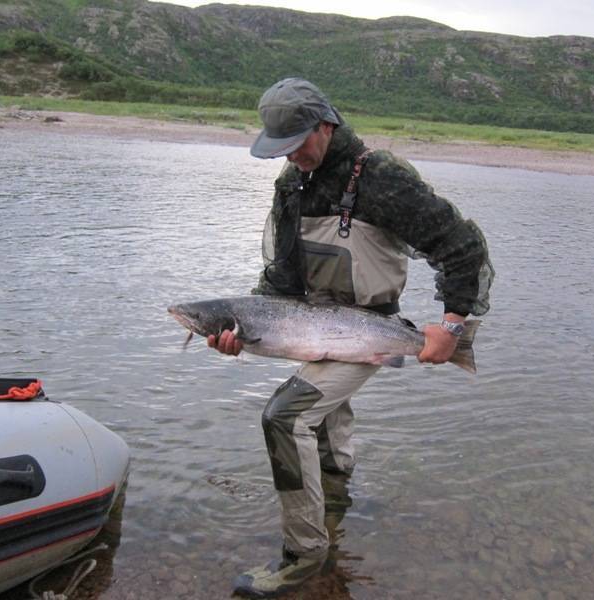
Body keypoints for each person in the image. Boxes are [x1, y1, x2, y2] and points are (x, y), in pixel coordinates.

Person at [208, 77, 494, 598]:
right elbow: (281, 278)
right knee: (318, 417)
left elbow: (462, 246)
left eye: (298, 144)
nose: (291, 157)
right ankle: (335, 505)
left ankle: (306, 554)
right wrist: (243, 331)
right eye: (281, 149)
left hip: (369, 328)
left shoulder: (380, 177)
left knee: (284, 417)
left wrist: (453, 327)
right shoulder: (291, 183)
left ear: (326, 124)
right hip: (314, 323)